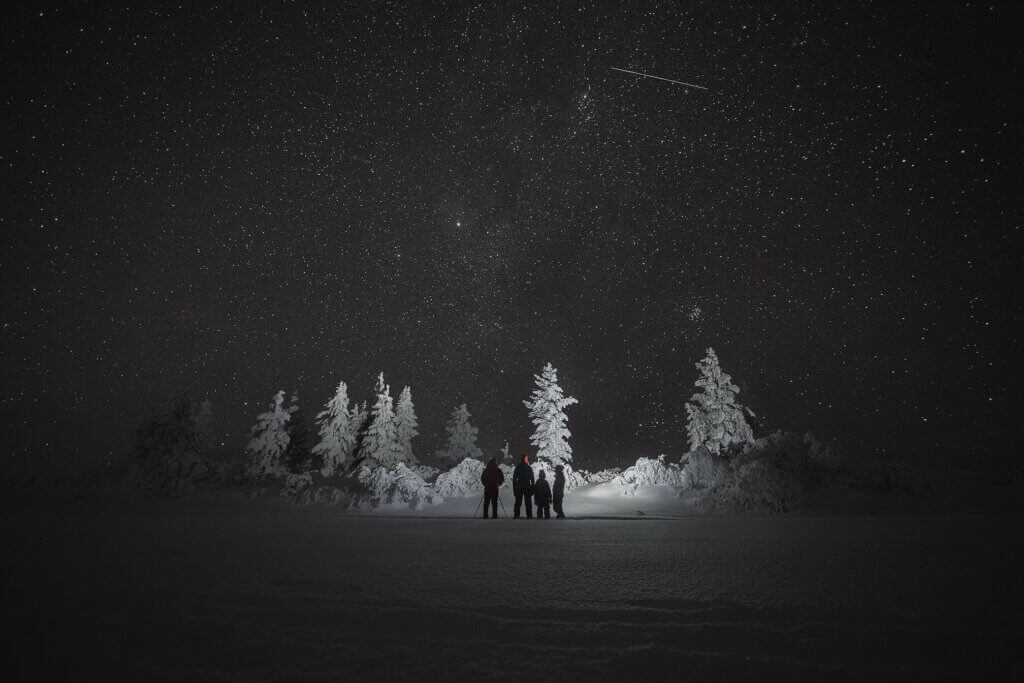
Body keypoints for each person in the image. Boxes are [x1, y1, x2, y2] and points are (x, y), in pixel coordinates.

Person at [512, 455, 535, 519]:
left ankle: (516, 515)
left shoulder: (518, 467)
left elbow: (514, 479)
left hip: (519, 486)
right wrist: (533, 487)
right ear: (525, 459)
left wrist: (514, 488)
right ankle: (529, 515)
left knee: (518, 502)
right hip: (527, 487)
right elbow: (532, 479)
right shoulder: (528, 468)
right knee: (528, 503)